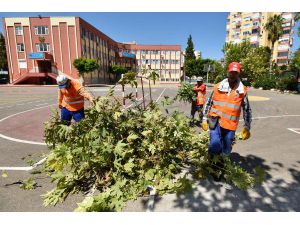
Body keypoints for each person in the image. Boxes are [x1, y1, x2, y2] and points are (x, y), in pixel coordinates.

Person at [201, 62, 252, 180]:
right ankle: (213, 167)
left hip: (230, 125)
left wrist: (247, 127)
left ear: (238, 73)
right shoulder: (218, 86)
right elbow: (209, 103)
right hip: (215, 121)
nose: (233, 74)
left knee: (226, 147)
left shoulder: (242, 90)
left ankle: (221, 165)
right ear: (228, 72)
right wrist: (204, 118)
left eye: (236, 72)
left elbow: (247, 109)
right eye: (231, 72)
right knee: (215, 144)